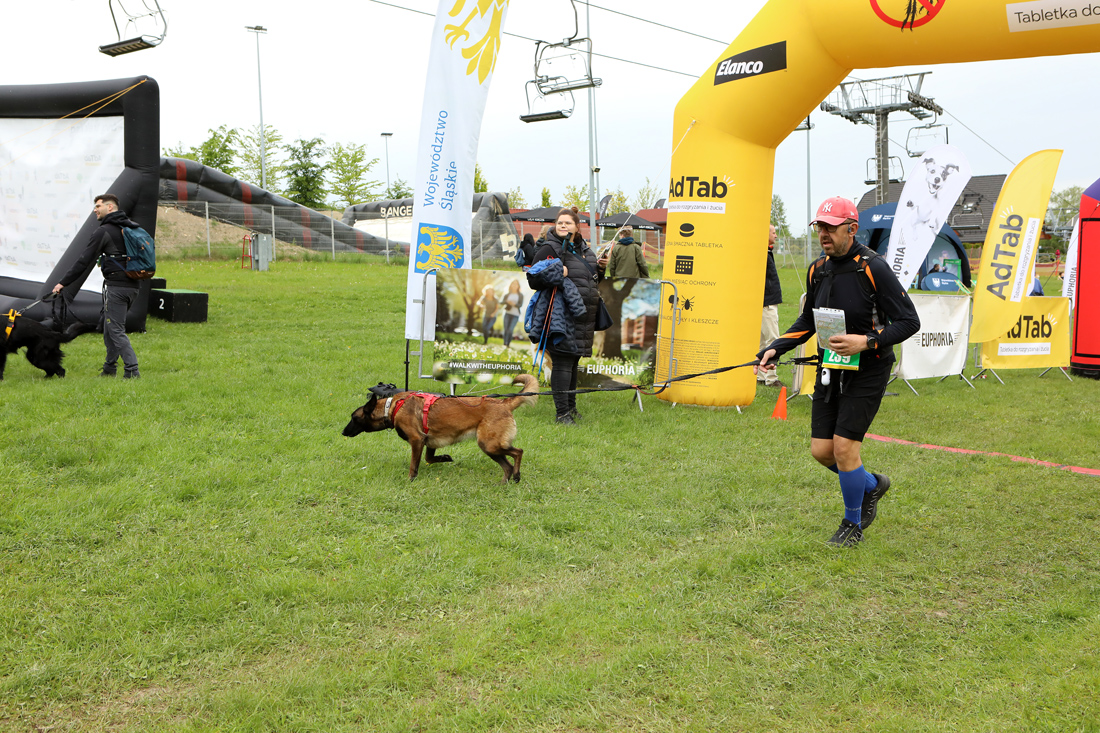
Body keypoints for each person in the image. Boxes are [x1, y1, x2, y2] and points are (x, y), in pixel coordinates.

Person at [756, 196, 920, 547]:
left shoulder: (873, 267)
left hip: (869, 369)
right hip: (830, 367)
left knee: (845, 448)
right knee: (821, 451)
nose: (823, 234)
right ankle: (872, 485)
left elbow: (909, 321)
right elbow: (808, 320)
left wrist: (867, 341)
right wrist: (776, 347)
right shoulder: (818, 269)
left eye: (831, 227)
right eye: (820, 227)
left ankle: (852, 524)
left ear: (852, 228)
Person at [52, 193, 141, 378]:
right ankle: (109, 369)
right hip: (133, 286)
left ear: (110, 207)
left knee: (115, 330)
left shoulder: (104, 231)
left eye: (98, 206)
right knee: (109, 328)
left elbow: (84, 261)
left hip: (117, 288)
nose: (95, 210)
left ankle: (132, 371)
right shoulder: (131, 227)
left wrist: (63, 283)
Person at [529, 207, 604, 425]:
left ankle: (571, 407)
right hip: (560, 314)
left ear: (577, 227)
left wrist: (601, 269)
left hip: (583, 316)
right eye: (560, 222)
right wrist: (556, 272)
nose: (563, 225)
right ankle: (562, 414)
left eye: (568, 223)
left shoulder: (586, 251)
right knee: (562, 362)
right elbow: (533, 279)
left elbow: (589, 280)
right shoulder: (549, 248)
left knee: (573, 362)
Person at [758, 224, 783, 387]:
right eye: (773, 233)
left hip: (764, 301)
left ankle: (761, 375)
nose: (776, 235)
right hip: (767, 302)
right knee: (773, 340)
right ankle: (771, 378)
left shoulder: (766, 251)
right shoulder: (762, 253)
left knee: (762, 340)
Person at [500, 279, 524, 348]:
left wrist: (514, 304)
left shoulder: (520, 295)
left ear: (518, 286)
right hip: (507, 313)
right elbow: (501, 302)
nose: (514, 285)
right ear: (511, 285)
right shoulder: (507, 294)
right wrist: (507, 301)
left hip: (515, 314)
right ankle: (505, 344)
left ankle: (508, 344)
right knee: (506, 329)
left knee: (510, 329)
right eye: (513, 283)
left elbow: (520, 305)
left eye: (516, 284)